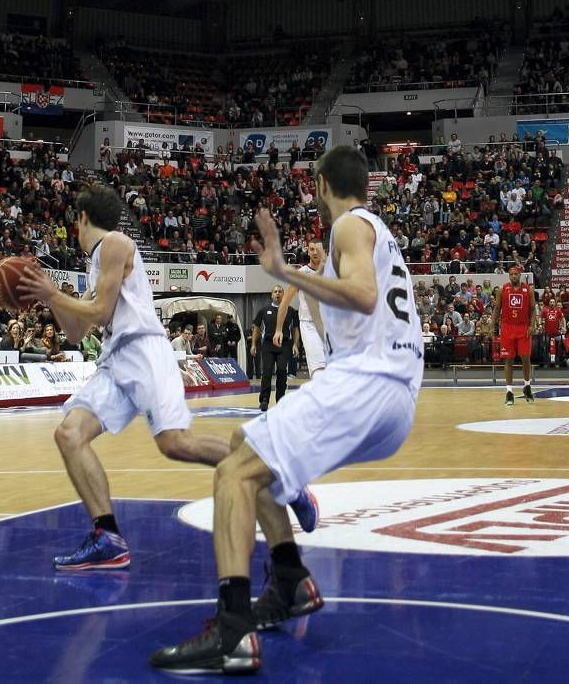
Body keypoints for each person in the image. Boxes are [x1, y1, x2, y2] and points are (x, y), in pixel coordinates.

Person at [150, 145, 423, 675]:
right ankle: (291, 579)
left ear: (322, 184)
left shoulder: (348, 226)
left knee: (232, 475)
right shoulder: (377, 231)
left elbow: (364, 296)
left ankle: (231, 633)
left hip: (368, 382)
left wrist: (282, 271)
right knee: (244, 448)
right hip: (395, 397)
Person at [16, 184, 231, 571]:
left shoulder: (114, 243)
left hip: (144, 351)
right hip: (116, 358)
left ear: (82, 218)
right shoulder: (94, 263)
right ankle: (107, 536)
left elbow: (98, 312)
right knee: (69, 434)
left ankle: (271, 468)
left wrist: (53, 291)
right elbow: (76, 333)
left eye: (74, 223)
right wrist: (48, 297)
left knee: (175, 444)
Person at [273, 238, 327, 379]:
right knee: (319, 372)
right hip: (310, 325)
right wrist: (278, 329)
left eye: (318, 249)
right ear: (308, 251)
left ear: (324, 251)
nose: (315, 252)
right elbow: (284, 303)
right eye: (311, 249)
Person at [492, 265, 538, 405]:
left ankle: (527, 386)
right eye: (511, 274)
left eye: (516, 274)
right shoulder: (502, 290)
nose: (513, 276)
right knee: (509, 360)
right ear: (508, 276)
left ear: (520, 275)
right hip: (507, 327)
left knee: (525, 357)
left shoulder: (528, 290)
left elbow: (533, 309)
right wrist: (492, 325)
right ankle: (509, 392)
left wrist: (532, 325)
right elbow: (496, 309)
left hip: (523, 327)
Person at [251, 285, 299, 412]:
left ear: (284, 294)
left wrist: (295, 344)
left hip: (284, 345)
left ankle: (281, 400)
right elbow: (256, 327)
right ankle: (264, 400)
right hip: (268, 345)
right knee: (266, 372)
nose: (278, 293)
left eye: (280, 291)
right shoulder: (264, 310)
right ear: (271, 295)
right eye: (275, 292)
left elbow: (295, 329)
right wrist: (253, 345)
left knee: (282, 371)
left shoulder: (291, 311)